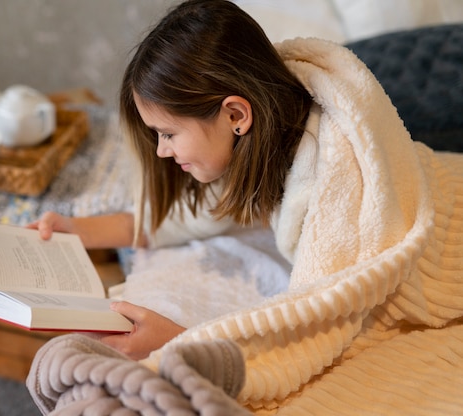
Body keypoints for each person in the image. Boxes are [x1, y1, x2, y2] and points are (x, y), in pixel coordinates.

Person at [28, 0, 463, 409]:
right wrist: (79, 230)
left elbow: (319, 322)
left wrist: (183, 339)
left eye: (168, 133)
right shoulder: (252, 150)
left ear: (236, 115)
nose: (161, 151)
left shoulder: (331, 177)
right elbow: (181, 221)